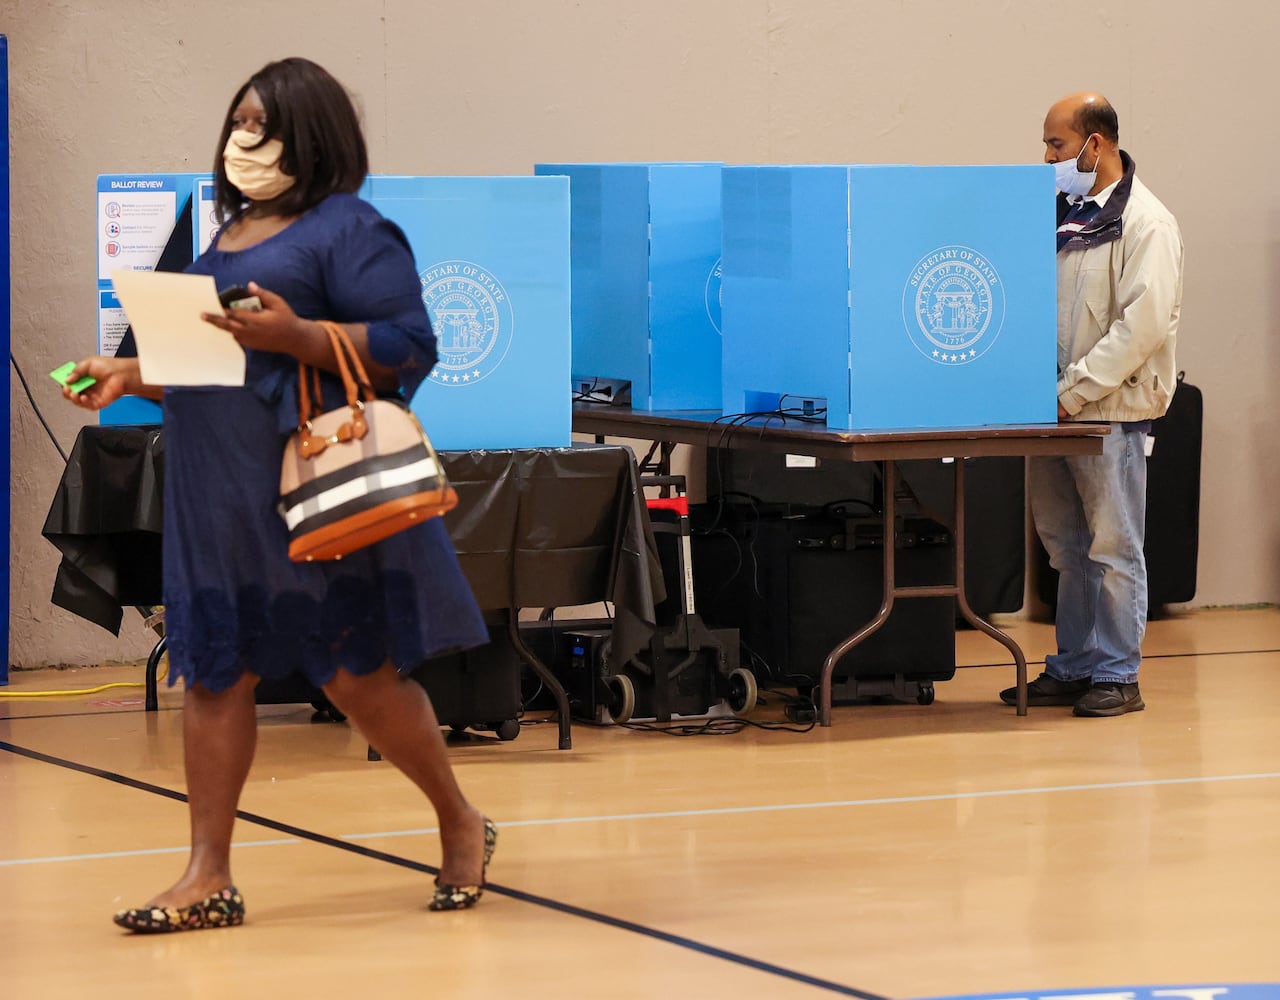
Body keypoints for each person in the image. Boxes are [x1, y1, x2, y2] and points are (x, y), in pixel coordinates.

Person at [64, 57, 498, 931]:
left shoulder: (350, 228)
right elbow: (211, 361)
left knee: (357, 679)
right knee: (215, 675)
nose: (242, 141)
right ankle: (207, 875)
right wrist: (126, 372)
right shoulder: (214, 232)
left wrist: (301, 333)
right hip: (211, 489)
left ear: (311, 136)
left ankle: (459, 820)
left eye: (260, 126)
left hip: (305, 489)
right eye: (237, 122)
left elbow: (410, 344)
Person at [1000, 92, 1184, 717]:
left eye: (1056, 145)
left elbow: (1142, 328)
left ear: (1094, 145)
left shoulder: (1147, 223)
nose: (1048, 156)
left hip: (1107, 413)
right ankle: (1075, 665)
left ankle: (1118, 674)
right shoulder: (1061, 215)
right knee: (1064, 547)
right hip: (1050, 412)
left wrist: (1073, 392)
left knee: (1113, 546)